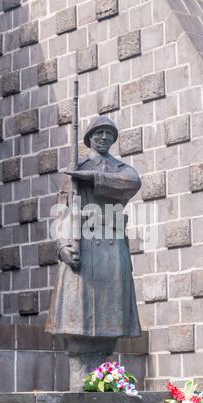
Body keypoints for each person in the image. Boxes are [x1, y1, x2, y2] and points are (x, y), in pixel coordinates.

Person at [45, 116, 142, 388]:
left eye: (108, 134)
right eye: (98, 133)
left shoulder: (120, 169)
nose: (103, 138)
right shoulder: (75, 170)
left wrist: (91, 177)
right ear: (88, 138)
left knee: (109, 322)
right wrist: (63, 246)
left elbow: (131, 183)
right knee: (79, 322)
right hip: (84, 250)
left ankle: (103, 378)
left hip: (111, 252)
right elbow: (62, 213)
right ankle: (81, 380)